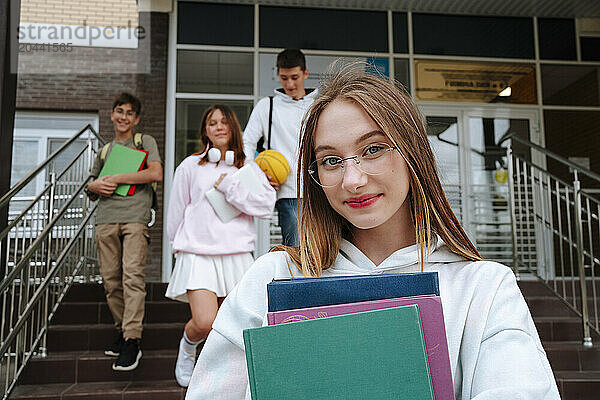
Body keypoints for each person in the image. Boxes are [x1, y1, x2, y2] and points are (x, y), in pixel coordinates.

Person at [185, 65, 560, 400]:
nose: (353, 179)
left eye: (374, 149)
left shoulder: (483, 289)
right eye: (330, 160)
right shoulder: (272, 279)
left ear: (413, 151)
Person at [165, 105, 276, 388]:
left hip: (237, 254)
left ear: (233, 128)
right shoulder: (191, 165)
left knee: (231, 327)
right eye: (212, 122)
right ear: (205, 130)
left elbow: (264, 206)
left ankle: (221, 377)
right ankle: (188, 347)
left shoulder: (246, 168)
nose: (218, 127)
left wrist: (231, 187)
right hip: (198, 253)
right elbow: (176, 210)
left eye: (224, 122)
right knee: (204, 322)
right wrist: (177, 248)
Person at [86, 93, 162, 372]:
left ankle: (132, 339)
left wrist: (117, 178)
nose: (123, 117)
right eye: (119, 111)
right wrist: (95, 187)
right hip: (106, 218)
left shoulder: (145, 142)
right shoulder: (105, 150)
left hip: (134, 218)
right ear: (112, 114)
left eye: (129, 113)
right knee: (110, 281)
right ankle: (122, 330)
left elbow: (155, 173)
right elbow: (91, 185)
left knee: (132, 276)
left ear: (136, 119)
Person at [243, 48, 318, 246]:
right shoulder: (266, 106)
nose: (290, 84)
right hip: (288, 192)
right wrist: (257, 177)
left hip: (321, 190)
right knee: (295, 251)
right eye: (284, 78)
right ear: (278, 75)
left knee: (327, 250)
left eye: (295, 77)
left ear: (305, 73)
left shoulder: (319, 105)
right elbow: (247, 143)